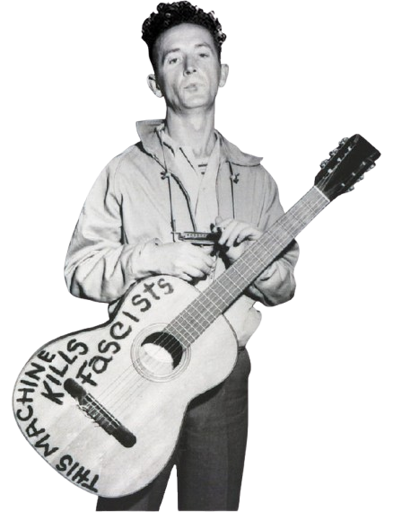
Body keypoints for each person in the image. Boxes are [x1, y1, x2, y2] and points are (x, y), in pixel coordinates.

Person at [63, 1, 299, 510]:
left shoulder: (259, 179)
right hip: (135, 371)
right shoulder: (122, 173)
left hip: (223, 380)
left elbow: (283, 285)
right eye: (173, 58)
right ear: (154, 80)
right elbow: (79, 271)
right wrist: (151, 258)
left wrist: (254, 258)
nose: (190, 67)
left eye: (202, 54)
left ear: (222, 69)